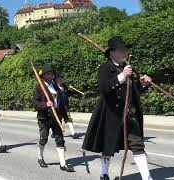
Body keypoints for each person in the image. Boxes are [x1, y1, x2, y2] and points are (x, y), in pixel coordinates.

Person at [82, 36, 153, 180]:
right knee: (108, 147)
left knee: (138, 146)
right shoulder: (105, 68)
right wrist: (122, 76)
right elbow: (104, 89)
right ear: (112, 53)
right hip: (112, 115)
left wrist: (142, 85)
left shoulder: (127, 67)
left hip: (130, 116)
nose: (125, 52)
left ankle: (147, 178)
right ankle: (104, 173)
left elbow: (131, 92)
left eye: (125, 49)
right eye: (122, 50)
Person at [32, 64, 75, 172]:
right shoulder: (39, 86)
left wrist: (65, 117)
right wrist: (45, 104)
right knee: (44, 138)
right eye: (49, 73)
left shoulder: (56, 87)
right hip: (44, 118)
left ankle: (63, 163)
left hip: (57, 117)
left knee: (60, 139)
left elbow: (61, 103)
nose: (51, 75)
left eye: (52, 73)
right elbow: (35, 103)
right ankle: (40, 158)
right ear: (44, 75)